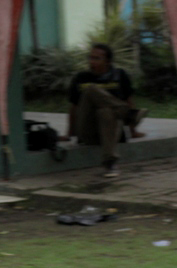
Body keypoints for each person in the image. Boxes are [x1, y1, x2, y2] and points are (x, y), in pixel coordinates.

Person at [62, 43, 148, 178]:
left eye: (97, 58)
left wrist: (133, 131)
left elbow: (128, 100)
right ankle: (128, 115)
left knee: (106, 112)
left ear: (108, 61)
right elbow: (74, 108)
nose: (92, 62)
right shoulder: (81, 78)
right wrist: (69, 133)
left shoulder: (119, 75)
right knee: (90, 90)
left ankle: (110, 163)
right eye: (90, 58)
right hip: (88, 129)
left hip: (111, 130)